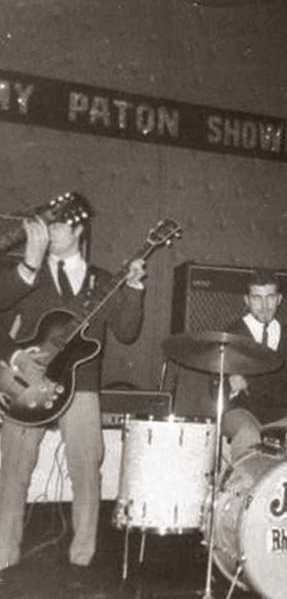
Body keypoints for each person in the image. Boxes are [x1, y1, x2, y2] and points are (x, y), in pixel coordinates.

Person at [0, 204, 146, 573]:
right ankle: (3, 557)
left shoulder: (104, 280)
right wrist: (16, 360)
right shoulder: (25, 274)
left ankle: (83, 560)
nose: (49, 231)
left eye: (59, 225)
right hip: (27, 385)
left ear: (80, 230)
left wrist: (133, 289)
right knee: (14, 469)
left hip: (82, 386)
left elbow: (127, 333)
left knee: (86, 470)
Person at [222, 270, 287, 459]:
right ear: (246, 300)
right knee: (248, 432)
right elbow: (214, 387)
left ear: (279, 299)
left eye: (270, 297)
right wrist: (230, 382)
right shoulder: (231, 335)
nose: (264, 306)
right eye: (257, 298)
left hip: (279, 415)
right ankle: (243, 487)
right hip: (240, 411)